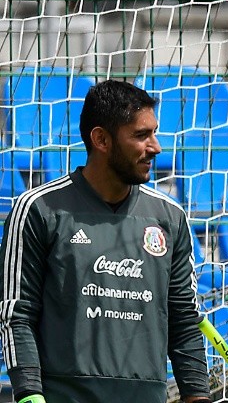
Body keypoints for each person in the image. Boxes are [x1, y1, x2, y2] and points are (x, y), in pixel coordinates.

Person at [0, 80, 211, 402]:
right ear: (101, 139)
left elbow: (183, 318)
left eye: (154, 133)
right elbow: (17, 314)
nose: (156, 147)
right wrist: (29, 394)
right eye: (141, 135)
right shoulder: (39, 208)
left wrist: (197, 395)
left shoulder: (169, 216)